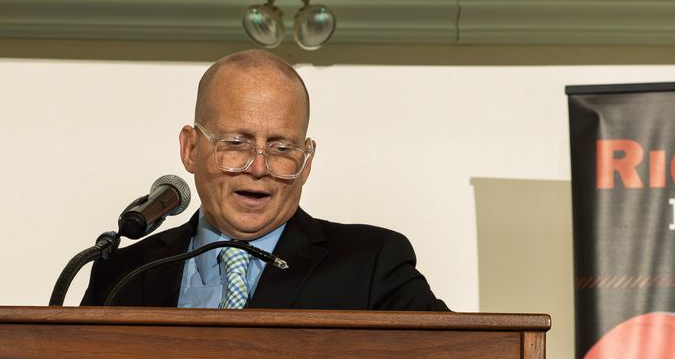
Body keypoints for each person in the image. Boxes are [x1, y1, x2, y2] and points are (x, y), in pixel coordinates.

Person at [83, 50, 447, 311]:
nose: (258, 168)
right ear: (191, 149)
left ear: (306, 162)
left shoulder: (371, 265)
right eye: (236, 144)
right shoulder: (122, 274)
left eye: (281, 147)